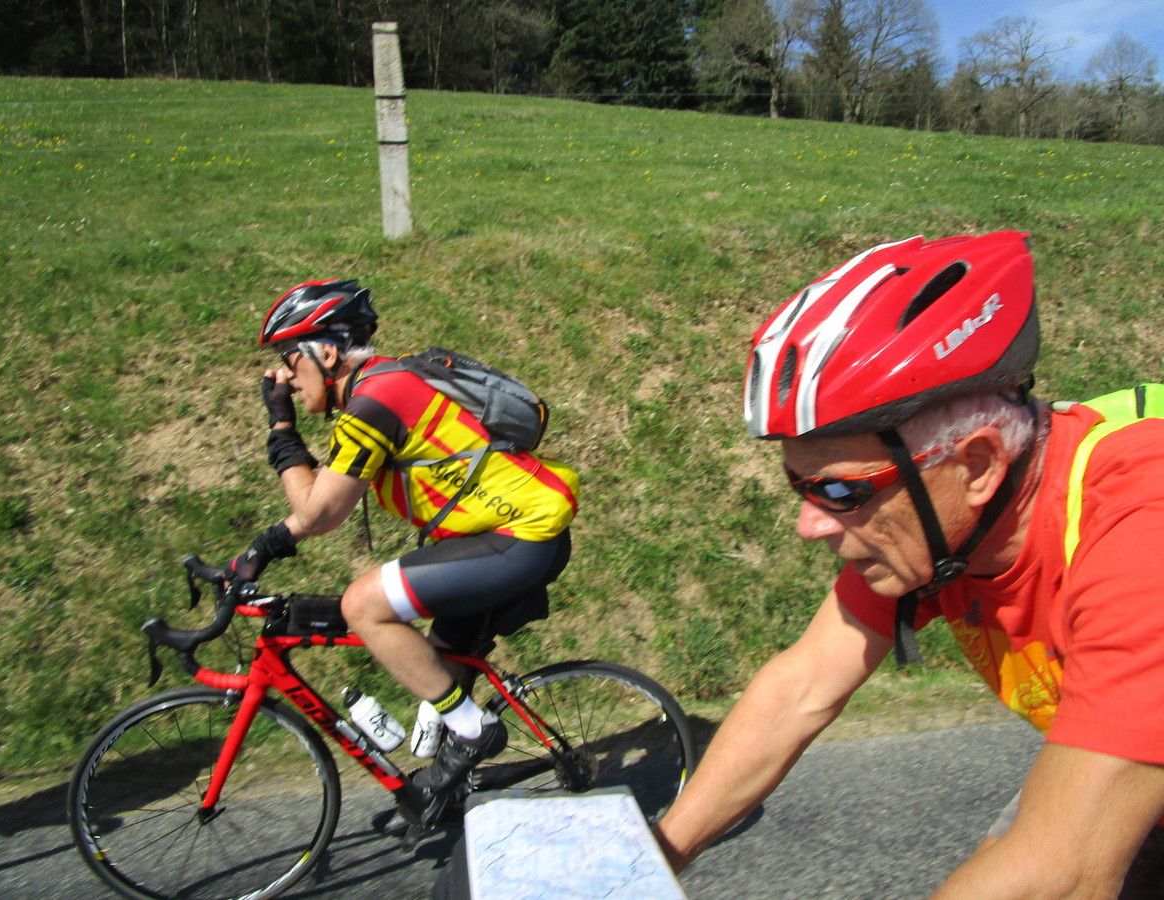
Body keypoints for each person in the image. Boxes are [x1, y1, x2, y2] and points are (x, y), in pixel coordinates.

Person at [654, 231, 1164, 897]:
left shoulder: (1141, 532)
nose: (809, 524)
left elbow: (1059, 874)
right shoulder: (937, 530)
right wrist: (650, 860)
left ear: (977, 465)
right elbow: (802, 688)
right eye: (798, 486)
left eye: (841, 492)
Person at [229, 278, 579, 807]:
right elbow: (318, 501)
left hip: (519, 537)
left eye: (290, 360)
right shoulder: (378, 387)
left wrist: (280, 429)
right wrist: (266, 541)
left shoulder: (377, 399)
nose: (287, 379)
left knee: (363, 605)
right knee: (435, 674)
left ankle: (477, 731)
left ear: (327, 353)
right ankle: (440, 796)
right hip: (498, 537)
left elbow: (318, 513)